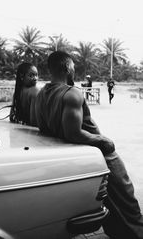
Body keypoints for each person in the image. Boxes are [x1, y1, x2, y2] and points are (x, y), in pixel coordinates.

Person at [35, 51, 143, 239]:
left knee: (109, 201)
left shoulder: (41, 93)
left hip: (78, 155)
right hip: (100, 155)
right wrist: (104, 141)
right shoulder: (71, 94)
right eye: (74, 67)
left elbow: (41, 128)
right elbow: (73, 133)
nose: (74, 70)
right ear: (68, 68)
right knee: (127, 202)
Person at [9, 62, 40, 126]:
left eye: (36, 75)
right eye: (31, 75)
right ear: (22, 76)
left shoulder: (17, 92)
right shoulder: (35, 91)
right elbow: (34, 121)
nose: (35, 78)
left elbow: (11, 117)